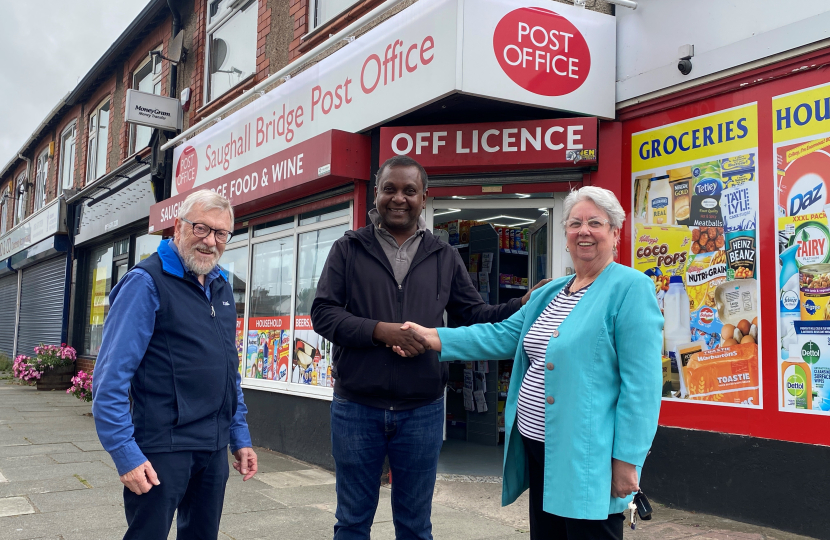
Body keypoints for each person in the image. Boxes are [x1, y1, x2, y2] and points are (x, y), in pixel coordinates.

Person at [397, 186, 663, 540]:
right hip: (537, 447)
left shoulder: (631, 288)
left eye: (595, 223)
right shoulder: (549, 293)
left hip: (586, 455)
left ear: (615, 233)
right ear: (565, 235)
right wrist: (434, 337)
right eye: (575, 223)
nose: (584, 231)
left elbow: (642, 387)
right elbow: (502, 335)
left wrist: (628, 461)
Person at [310, 155, 549, 540]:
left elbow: (474, 313)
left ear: (424, 197)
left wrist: (521, 304)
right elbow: (322, 314)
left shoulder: (444, 255)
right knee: (352, 521)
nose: (398, 198)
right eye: (390, 189)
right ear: (376, 194)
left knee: (416, 524)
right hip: (356, 407)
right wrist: (381, 331)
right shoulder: (349, 249)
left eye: (409, 190)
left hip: (422, 410)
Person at [92, 190, 258, 539]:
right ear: (177, 228)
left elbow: (230, 372)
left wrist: (239, 436)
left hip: (212, 449)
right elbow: (110, 379)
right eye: (201, 228)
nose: (210, 241)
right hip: (162, 448)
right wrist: (125, 455)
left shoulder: (221, 285)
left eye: (220, 233)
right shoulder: (145, 282)